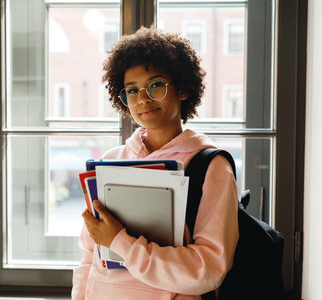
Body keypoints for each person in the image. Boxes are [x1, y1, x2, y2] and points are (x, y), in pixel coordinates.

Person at [72, 26, 239, 300]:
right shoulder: (110, 161)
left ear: (183, 89)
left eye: (156, 85)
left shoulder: (211, 166)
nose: (143, 99)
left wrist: (120, 242)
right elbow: (89, 255)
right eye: (132, 90)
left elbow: (208, 269)